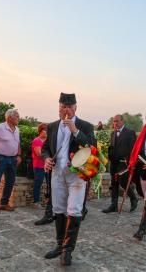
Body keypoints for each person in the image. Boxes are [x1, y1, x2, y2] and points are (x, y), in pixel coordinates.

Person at [42, 93, 96, 266]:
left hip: (76, 174)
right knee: (58, 209)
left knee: (74, 209)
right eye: (62, 106)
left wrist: (75, 131)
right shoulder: (51, 126)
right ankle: (59, 245)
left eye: (69, 107)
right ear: (59, 107)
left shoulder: (85, 126)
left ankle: (67, 251)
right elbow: (45, 148)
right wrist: (46, 159)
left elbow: (91, 146)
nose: (65, 110)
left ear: (75, 108)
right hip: (57, 173)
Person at [0, 109, 22, 214]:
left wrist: (18, 155)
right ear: (10, 117)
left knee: (10, 181)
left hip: (13, 158)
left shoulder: (17, 129)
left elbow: (18, 143)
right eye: (17, 116)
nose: (18, 118)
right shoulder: (0, 128)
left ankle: (4, 203)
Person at [102, 114, 138, 213]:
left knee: (123, 182)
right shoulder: (113, 134)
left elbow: (133, 149)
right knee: (114, 183)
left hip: (124, 163)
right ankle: (114, 205)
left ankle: (133, 198)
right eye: (114, 121)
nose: (115, 123)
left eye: (117, 121)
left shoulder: (130, 133)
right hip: (114, 163)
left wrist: (129, 161)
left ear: (122, 121)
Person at [31, 123, 48, 208]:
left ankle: (48, 201)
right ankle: (36, 202)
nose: (46, 132)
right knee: (38, 184)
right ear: (40, 131)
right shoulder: (36, 141)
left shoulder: (48, 141)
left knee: (50, 184)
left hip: (48, 166)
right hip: (39, 166)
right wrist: (49, 157)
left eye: (47, 130)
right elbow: (39, 154)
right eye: (45, 130)